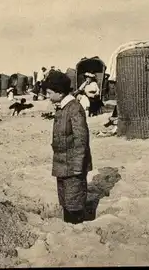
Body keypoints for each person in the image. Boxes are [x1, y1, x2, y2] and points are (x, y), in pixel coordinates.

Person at [42, 70, 93, 224]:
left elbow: (81, 139)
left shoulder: (74, 109)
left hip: (73, 166)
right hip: (62, 164)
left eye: (50, 92)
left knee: (74, 203)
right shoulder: (61, 108)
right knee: (64, 200)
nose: (48, 96)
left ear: (60, 92)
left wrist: (78, 166)